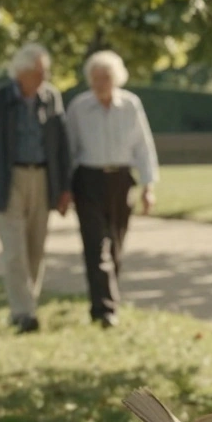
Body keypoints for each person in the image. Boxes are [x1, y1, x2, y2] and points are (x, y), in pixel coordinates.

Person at [0, 43, 72, 334]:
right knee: (14, 249)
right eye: (39, 72)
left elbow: (62, 145)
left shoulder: (52, 97)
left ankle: (26, 304)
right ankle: (24, 311)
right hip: (8, 177)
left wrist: (65, 187)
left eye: (45, 71)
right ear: (22, 72)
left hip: (42, 178)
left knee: (36, 248)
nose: (44, 76)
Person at [66, 50, 159, 328]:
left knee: (116, 245)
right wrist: (64, 188)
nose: (100, 83)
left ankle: (108, 299)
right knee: (95, 247)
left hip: (120, 180)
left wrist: (148, 186)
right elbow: (69, 150)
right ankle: (103, 310)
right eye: (95, 78)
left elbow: (143, 147)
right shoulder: (79, 107)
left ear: (116, 78)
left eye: (105, 77)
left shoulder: (131, 105)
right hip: (88, 179)